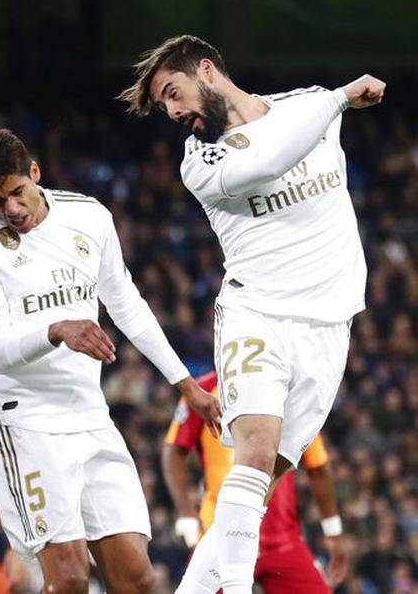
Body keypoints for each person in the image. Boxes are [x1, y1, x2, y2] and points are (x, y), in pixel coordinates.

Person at [117, 34, 385, 594]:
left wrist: (331, 103)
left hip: (329, 325)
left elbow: (297, 130)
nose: (172, 112)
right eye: (164, 106)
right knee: (255, 450)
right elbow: (265, 162)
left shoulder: (305, 105)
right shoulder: (203, 161)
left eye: (174, 92)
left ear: (207, 71)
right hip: (256, 313)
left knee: (256, 487)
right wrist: (339, 100)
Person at [0, 128, 221, 594]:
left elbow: (127, 304)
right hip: (23, 422)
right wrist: (57, 330)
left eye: (17, 192)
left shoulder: (88, 217)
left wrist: (184, 383)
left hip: (89, 413)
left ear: (35, 173)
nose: (11, 209)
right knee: (69, 578)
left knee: (136, 578)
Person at [162, 371, 349, 593]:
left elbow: (318, 466)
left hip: (280, 540)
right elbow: (174, 449)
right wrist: (185, 510)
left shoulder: (288, 391)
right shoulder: (203, 391)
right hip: (221, 533)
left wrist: (333, 532)